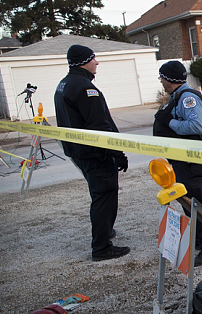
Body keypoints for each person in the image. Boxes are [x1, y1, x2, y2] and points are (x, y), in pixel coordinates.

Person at [54, 44, 130, 261]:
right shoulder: (86, 89)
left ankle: (105, 230)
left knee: (99, 193)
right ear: (83, 62)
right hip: (95, 153)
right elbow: (100, 126)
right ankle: (102, 247)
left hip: (79, 152)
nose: (97, 63)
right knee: (104, 195)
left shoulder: (64, 84)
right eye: (93, 59)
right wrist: (117, 153)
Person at [153, 60, 202, 267]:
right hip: (183, 159)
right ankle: (201, 241)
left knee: (196, 204)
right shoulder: (177, 97)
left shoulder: (187, 98)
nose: (161, 81)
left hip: (191, 160)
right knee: (189, 202)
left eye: (162, 77)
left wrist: (169, 122)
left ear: (169, 79)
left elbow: (197, 126)